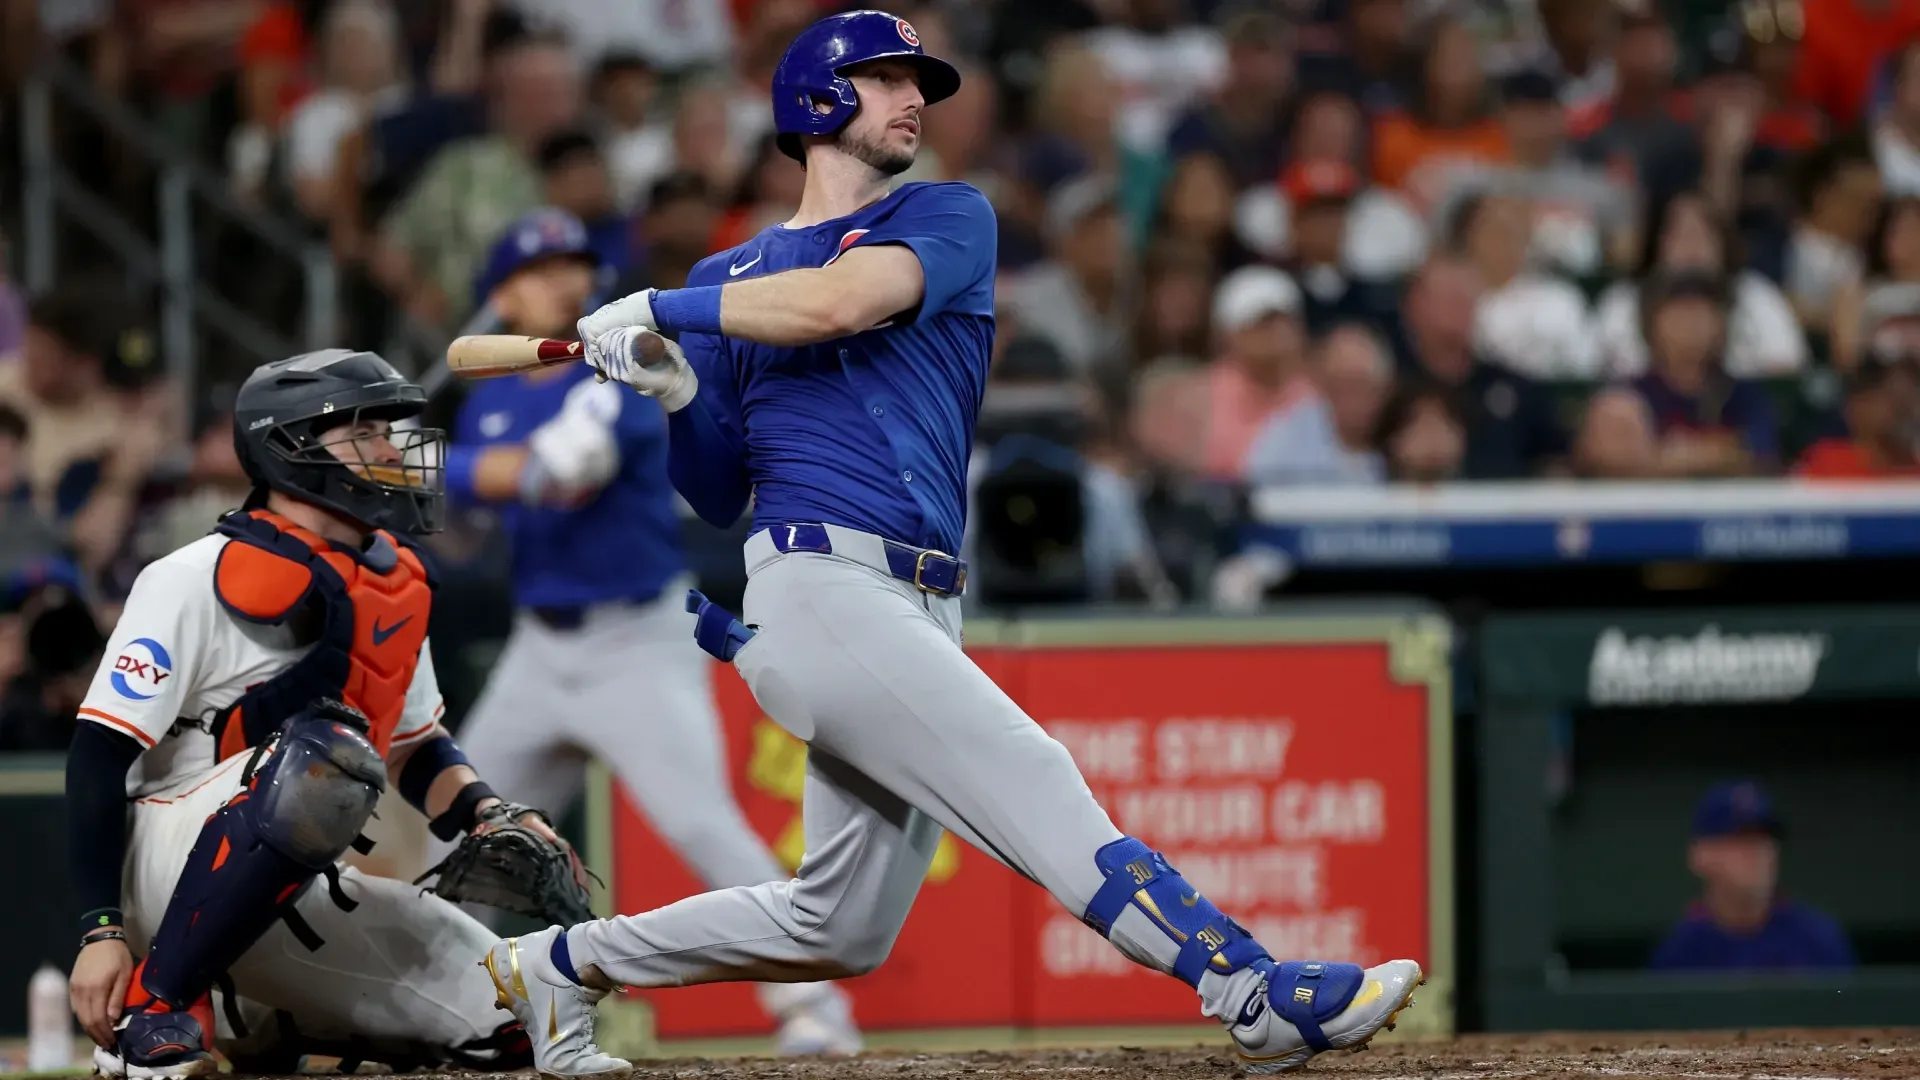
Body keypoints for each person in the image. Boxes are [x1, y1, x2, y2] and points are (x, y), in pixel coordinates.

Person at [495, 10, 1423, 1078]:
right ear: (816, 99)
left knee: (836, 927)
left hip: (917, 598)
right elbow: (714, 492)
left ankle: (560, 963)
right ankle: (1248, 987)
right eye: (886, 78)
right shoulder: (736, 274)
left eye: (916, 82)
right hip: (819, 585)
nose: (914, 100)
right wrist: (675, 391)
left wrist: (667, 307)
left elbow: (841, 303)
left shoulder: (942, 215)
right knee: (1032, 771)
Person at [65, 349, 562, 1078]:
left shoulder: (392, 582)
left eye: (387, 430)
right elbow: (97, 755)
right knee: (326, 752)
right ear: (289, 447)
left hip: (290, 884)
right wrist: (99, 930)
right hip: (160, 864)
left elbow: (415, 747)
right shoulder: (190, 574)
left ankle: (263, 1018)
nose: (390, 449)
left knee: (524, 1011)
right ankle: (157, 1008)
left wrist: (487, 811)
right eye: (363, 432)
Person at [442, 208, 862, 1054]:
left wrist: (421, 465)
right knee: (459, 840)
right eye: (539, 270)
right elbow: (462, 535)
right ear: (504, 298)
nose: (564, 280)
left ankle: (815, 1009)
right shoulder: (490, 403)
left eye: (573, 264)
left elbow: (558, 476)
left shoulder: (617, 370)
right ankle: (439, 1009)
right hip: (538, 648)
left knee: (702, 824)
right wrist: (407, 475)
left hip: (634, 643)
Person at [1651, 781, 1855, 971]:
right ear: (1700, 855)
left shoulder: (1818, 940)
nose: (1759, 852)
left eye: (1765, 839)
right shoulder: (1679, 954)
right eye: (1742, 840)